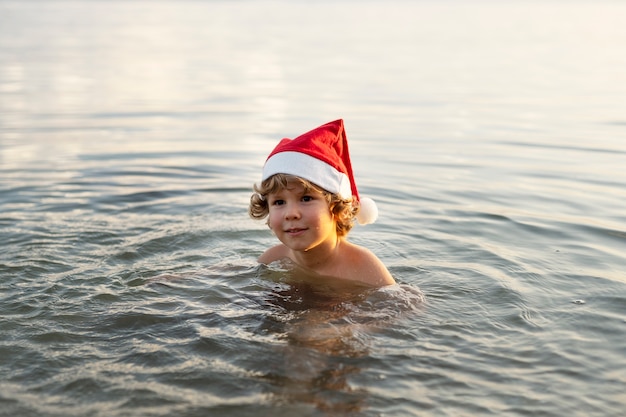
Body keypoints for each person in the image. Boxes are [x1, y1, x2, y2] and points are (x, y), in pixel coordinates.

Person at [249, 119, 396, 287]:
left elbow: (403, 306)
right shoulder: (273, 259)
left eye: (306, 199)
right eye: (279, 202)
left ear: (336, 207)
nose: (291, 213)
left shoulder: (364, 267)